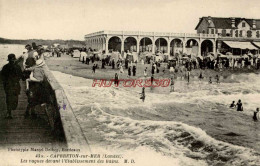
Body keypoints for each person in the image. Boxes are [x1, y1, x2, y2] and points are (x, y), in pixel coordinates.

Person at [1, 54, 22, 119]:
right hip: (15, 84)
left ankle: (9, 112)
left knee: (8, 98)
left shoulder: (5, 67)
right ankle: (12, 109)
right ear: (14, 59)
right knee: (15, 97)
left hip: (7, 85)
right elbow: (21, 76)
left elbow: (2, 76)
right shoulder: (18, 67)